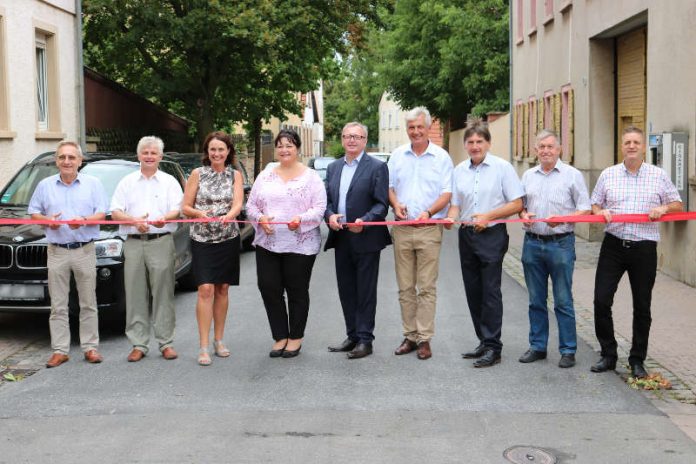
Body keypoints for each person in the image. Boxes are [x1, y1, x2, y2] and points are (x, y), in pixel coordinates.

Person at [590, 126, 682, 379]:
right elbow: (595, 203)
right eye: (627, 142)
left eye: (636, 142)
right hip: (614, 244)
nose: (631, 146)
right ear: (622, 146)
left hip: (644, 247)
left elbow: (677, 204)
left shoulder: (658, 175)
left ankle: (637, 359)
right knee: (601, 300)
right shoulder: (608, 175)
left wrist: (663, 208)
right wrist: (600, 212)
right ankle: (608, 354)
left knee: (642, 305)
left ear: (643, 147)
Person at [445, 121, 524, 368]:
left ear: (488, 143)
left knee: (490, 291)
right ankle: (482, 339)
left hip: (492, 235)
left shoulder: (502, 168)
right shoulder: (459, 170)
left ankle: (493, 346)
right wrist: (451, 216)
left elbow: (517, 203)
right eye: (471, 142)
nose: (475, 146)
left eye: (480, 141)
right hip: (467, 235)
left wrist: (489, 216)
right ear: (465, 145)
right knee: (473, 291)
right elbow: (456, 204)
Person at [246, 129, 326, 358]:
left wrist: (301, 219)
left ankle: (295, 337)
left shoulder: (311, 177)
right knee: (269, 287)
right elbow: (251, 206)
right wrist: (260, 219)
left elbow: (319, 208)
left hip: (300, 244)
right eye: (280, 145)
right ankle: (280, 335)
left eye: (289, 145)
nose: (284, 150)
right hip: (268, 242)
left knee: (296, 290)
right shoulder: (266, 175)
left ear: (297, 148)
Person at [28, 141, 108, 368]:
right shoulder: (45, 185)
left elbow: (102, 213)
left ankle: (90, 348)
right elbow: (34, 212)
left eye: (72, 157)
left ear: (80, 161)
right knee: (58, 304)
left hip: (84, 249)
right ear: (57, 161)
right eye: (62, 157)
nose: (67, 161)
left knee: (88, 302)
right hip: (57, 251)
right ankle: (60, 350)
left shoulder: (93, 184)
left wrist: (84, 221)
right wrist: (48, 222)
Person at [518, 130, 591, 368]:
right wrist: (523, 215)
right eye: (542, 146)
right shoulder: (528, 175)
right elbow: (521, 206)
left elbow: (585, 209)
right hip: (532, 242)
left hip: (561, 244)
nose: (546, 151)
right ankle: (538, 346)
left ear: (559, 149)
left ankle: (568, 349)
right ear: (535, 150)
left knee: (563, 300)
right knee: (536, 300)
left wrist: (563, 219)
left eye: (550, 146)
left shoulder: (572, 175)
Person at [388, 107, 453, 360]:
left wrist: (428, 211)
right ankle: (410, 336)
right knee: (405, 287)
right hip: (402, 230)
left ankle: (425, 339)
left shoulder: (441, 157)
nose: (415, 132)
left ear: (428, 128)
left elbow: (447, 193)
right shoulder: (397, 155)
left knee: (426, 287)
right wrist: (395, 204)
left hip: (429, 229)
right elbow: (390, 187)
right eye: (411, 128)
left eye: (419, 127)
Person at [111, 136, 183, 362]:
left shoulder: (169, 181)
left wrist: (164, 218)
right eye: (145, 153)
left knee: (163, 292)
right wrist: (133, 220)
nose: (149, 156)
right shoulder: (127, 182)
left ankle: (166, 342)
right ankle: (139, 344)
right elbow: (115, 211)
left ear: (161, 157)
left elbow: (178, 209)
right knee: (134, 294)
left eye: (154, 153)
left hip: (161, 240)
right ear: (138, 155)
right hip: (133, 242)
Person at [325, 122, 391, 359]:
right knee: (346, 289)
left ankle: (365, 339)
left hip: (366, 238)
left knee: (365, 290)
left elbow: (382, 204)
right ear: (342, 139)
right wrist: (330, 215)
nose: (352, 140)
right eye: (347, 136)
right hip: (341, 236)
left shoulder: (377, 167)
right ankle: (352, 335)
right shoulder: (333, 168)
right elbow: (328, 200)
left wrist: (365, 219)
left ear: (365, 139)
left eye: (357, 136)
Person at [181, 131, 243, 366]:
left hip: (227, 236)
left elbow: (238, 203)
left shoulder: (235, 175)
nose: (217, 153)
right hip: (202, 238)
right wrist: (200, 214)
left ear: (228, 152)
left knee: (223, 288)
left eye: (221, 149)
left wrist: (229, 215)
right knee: (205, 288)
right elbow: (185, 207)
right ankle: (203, 345)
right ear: (207, 152)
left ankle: (219, 340)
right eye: (213, 149)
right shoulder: (198, 174)